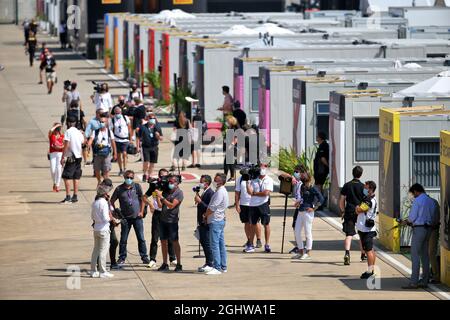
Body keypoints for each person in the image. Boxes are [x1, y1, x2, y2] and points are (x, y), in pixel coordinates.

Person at [401, 183, 439, 289]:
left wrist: (406, 222)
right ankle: (425, 280)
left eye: (413, 194)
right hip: (429, 229)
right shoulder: (432, 201)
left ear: (416, 191)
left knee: (415, 254)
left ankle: (414, 282)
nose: (413, 196)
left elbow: (412, 217)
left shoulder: (418, 201)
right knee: (425, 255)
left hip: (419, 229)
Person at [110, 170, 150, 265]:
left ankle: (144, 257)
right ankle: (122, 257)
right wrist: (115, 212)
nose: (129, 179)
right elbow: (111, 201)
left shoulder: (137, 187)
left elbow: (143, 199)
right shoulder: (119, 189)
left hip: (137, 217)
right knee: (123, 239)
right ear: (124, 177)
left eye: (131, 178)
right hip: (125, 219)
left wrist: (141, 211)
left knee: (141, 238)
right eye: (127, 177)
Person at [143, 169, 177, 268]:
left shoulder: (170, 186)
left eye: (166, 177)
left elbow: (164, 203)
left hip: (167, 214)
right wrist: (150, 204)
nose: (164, 179)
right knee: (155, 237)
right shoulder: (154, 185)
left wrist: (159, 195)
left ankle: (172, 258)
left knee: (170, 237)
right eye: (162, 176)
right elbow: (144, 196)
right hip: (157, 214)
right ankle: (152, 259)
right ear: (159, 177)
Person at [153, 175, 184, 272]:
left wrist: (161, 197)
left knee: (175, 242)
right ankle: (165, 263)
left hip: (172, 221)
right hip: (163, 220)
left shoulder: (179, 193)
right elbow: (160, 205)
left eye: (172, 182)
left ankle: (178, 264)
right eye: (169, 182)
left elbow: (171, 206)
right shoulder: (166, 191)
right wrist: (157, 196)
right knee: (163, 242)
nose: (170, 184)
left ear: (177, 183)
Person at [292, 172, 324, 260]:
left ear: (309, 179)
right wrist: (298, 202)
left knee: (307, 232)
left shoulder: (313, 188)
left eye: (305, 180)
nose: (304, 183)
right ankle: (301, 251)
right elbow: (303, 197)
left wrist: (314, 208)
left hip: (308, 212)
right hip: (301, 211)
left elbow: (321, 198)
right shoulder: (302, 186)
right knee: (297, 231)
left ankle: (308, 252)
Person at [339, 166, 365, 265]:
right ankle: (363, 254)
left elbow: (341, 200)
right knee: (361, 233)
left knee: (349, 234)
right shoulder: (363, 186)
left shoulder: (347, 185)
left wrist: (343, 211)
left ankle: (347, 254)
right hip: (360, 212)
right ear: (361, 174)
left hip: (349, 212)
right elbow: (365, 202)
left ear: (352, 173)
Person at [204, 173, 229, 275]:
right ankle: (223, 266)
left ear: (221, 181)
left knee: (214, 245)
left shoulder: (220, 192)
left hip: (216, 220)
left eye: (216, 180)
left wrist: (205, 215)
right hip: (219, 220)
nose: (214, 181)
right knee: (220, 244)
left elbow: (213, 207)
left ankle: (217, 267)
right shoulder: (220, 191)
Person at [246, 163, 274, 253]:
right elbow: (249, 192)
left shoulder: (269, 179)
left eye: (264, 166)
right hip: (253, 205)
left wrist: (255, 193)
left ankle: (267, 244)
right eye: (261, 166)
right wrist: (248, 181)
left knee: (266, 224)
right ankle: (250, 245)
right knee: (252, 224)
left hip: (264, 204)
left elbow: (266, 193)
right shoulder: (253, 179)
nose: (262, 168)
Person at [89, 179, 114, 278]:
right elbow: (105, 218)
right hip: (104, 229)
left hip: (96, 229)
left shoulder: (95, 203)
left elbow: (92, 217)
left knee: (95, 250)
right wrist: (110, 218)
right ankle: (103, 271)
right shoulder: (103, 203)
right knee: (103, 251)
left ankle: (93, 270)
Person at [236, 169, 262, 251]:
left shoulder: (256, 179)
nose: (245, 176)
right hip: (243, 204)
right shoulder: (240, 179)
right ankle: (249, 240)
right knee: (246, 223)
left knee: (255, 223)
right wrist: (237, 204)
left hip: (254, 204)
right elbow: (237, 192)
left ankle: (258, 240)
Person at [355, 181, 378, 279]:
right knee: (371, 249)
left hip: (366, 229)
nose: (364, 189)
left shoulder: (368, 200)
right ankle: (371, 270)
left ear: (370, 189)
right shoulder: (372, 198)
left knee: (368, 250)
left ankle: (370, 272)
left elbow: (359, 210)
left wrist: (357, 208)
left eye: (366, 187)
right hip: (368, 228)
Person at [60, 116, 85, 204]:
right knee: (76, 176)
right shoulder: (79, 132)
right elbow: (83, 142)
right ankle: (75, 196)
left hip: (71, 157)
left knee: (66, 176)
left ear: (69, 123)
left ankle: (68, 197)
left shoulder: (68, 132)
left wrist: (63, 156)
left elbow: (67, 144)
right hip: (79, 157)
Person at [194, 175, 215, 272]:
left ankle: (210, 262)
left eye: (202, 182)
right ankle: (208, 262)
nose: (200, 183)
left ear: (207, 183)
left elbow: (209, 208)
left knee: (207, 243)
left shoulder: (210, 193)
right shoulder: (204, 192)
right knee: (203, 242)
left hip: (206, 221)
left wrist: (200, 201)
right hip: (201, 221)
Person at [88, 117, 117, 185]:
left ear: (106, 123)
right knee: (97, 169)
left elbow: (113, 142)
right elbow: (91, 139)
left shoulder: (109, 132)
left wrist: (115, 153)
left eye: (103, 122)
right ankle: (99, 181)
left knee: (106, 169)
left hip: (106, 153)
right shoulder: (95, 131)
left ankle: (106, 183)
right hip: (97, 153)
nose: (102, 123)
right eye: (101, 122)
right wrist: (88, 145)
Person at [137, 112, 162, 182]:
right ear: (147, 119)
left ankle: (150, 175)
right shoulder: (143, 127)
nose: (152, 120)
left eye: (153, 118)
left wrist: (158, 136)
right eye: (151, 118)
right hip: (146, 147)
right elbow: (138, 137)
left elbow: (161, 138)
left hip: (154, 147)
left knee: (152, 163)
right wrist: (138, 147)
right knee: (146, 162)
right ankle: (144, 174)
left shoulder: (157, 127)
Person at [111, 106, 132, 176]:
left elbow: (129, 128)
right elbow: (111, 130)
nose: (117, 114)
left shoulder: (125, 118)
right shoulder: (112, 120)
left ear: (121, 112)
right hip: (117, 139)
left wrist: (131, 139)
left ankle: (125, 168)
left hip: (125, 139)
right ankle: (120, 169)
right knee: (119, 155)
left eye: (119, 112)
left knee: (124, 153)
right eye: (116, 113)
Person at [313, 132, 329, 210]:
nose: (316, 137)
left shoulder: (324, 146)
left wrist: (328, 166)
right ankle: (320, 203)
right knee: (319, 186)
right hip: (319, 170)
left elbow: (323, 158)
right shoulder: (322, 145)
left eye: (317, 136)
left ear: (320, 137)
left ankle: (320, 204)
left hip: (321, 170)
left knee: (319, 187)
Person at [48, 123, 64, 192]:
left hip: (60, 153)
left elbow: (65, 145)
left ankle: (57, 185)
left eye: (58, 129)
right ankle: (54, 182)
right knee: (53, 169)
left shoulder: (62, 136)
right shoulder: (52, 136)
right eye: (56, 129)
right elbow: (50, 131)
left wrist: (60, 147)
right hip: (53, 154)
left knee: (59, 169)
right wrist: (55, 126)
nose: (57, 130)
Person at [223, 115, 238, 182]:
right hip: (228, 147)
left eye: (228, 120)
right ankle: (225, 176)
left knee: (230, 163)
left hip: (231, 147)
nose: (227, 122)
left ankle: (231, 177)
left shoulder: (234, 128)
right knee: (227, 163)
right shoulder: (229, 128)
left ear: (231, 121)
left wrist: (231, 145)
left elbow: (236, 139)